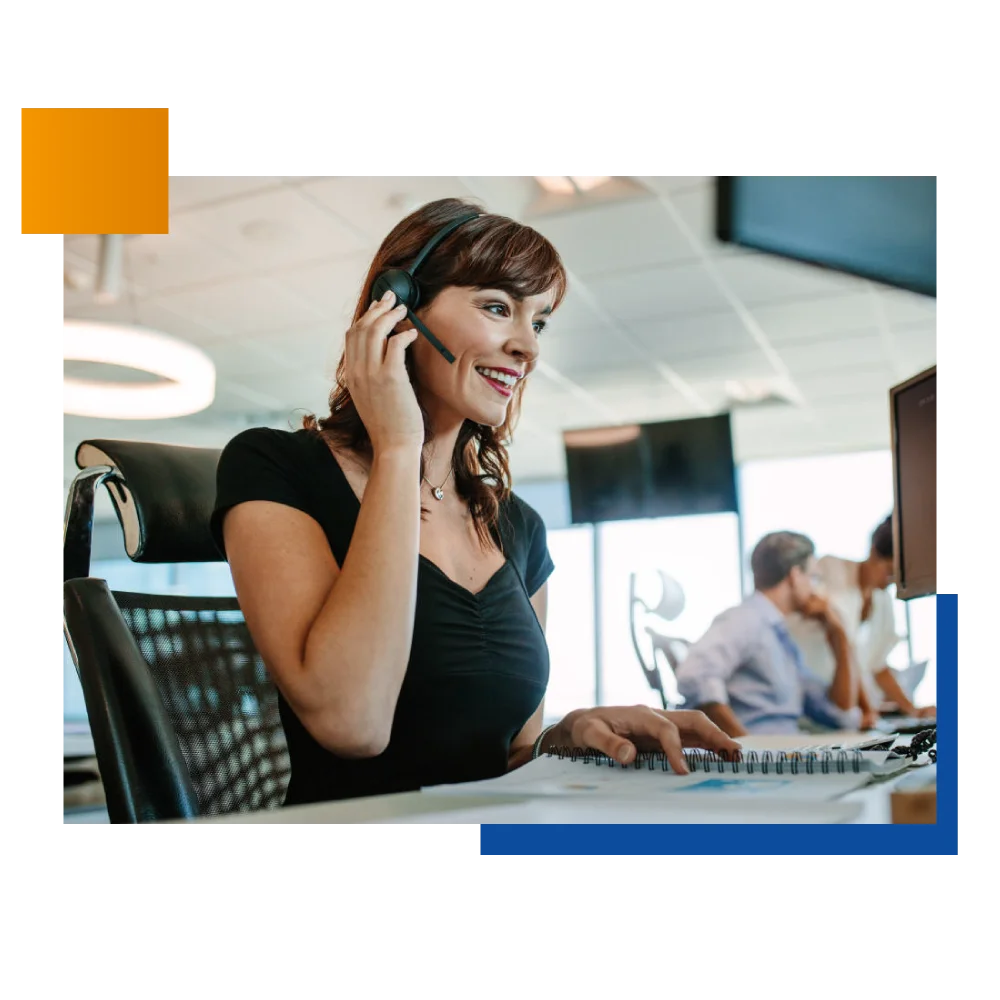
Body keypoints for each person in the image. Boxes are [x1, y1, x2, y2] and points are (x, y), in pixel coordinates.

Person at [211, 197, 740, 806]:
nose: (529, 349)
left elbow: (512, 750)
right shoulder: (275, 466)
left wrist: (568, 735)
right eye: (497, 308)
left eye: (538, 322)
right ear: (398, 309)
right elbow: (352, 723)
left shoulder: (518, 526)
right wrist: (399, 447)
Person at [674, 531, 863, 737]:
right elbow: (695, 676)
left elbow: (839, 711)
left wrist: (838, 636)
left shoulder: (780, 638)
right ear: (794, 575)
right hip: (764, 760)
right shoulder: (746, 619)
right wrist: (747, 750)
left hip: (785, 752)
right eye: (814, 578)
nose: (816, 589)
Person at [785, 515, 936, 724]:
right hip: (814, 702)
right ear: (874, 552)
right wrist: (865, 709)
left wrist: (912, 710)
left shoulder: (883, 601)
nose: (891, 581)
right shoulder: (830, 569)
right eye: (889, 572)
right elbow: (841, 642)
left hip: (850, 713)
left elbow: (878, 666)